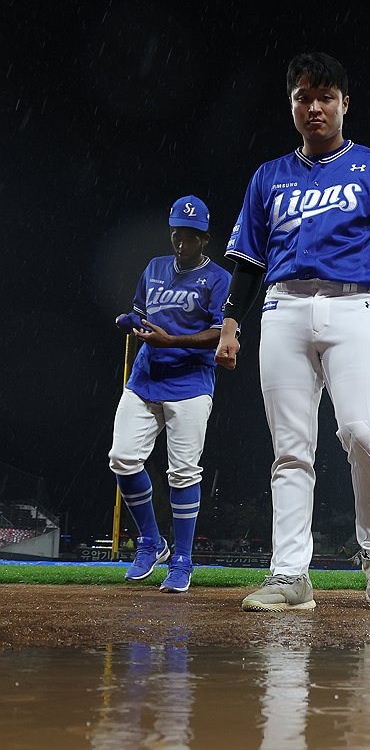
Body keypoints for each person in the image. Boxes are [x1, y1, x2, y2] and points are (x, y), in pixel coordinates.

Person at [216, 52, 370, 612]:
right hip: (283, 308)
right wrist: (228, 324)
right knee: (290, 451)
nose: (313, 106)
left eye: (325, 97)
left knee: (363, 433)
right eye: (302, 97)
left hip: (354, 307)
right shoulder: (269, 176)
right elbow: (247, 261)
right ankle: (290, 576)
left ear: (345, 104)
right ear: (291, 105)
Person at [108, 195, 231, 593]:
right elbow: (141, 311)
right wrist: (131, 321)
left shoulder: (218, 279)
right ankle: (150, 541)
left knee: (182, 472)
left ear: (205, 239)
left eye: (191, 237)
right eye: (178, 234)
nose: (182, 243)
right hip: (145, 378)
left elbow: (220, 332)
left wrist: (171, 340)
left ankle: (182, 559)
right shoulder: (155, 267)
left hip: (191, 384)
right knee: (123, 459)